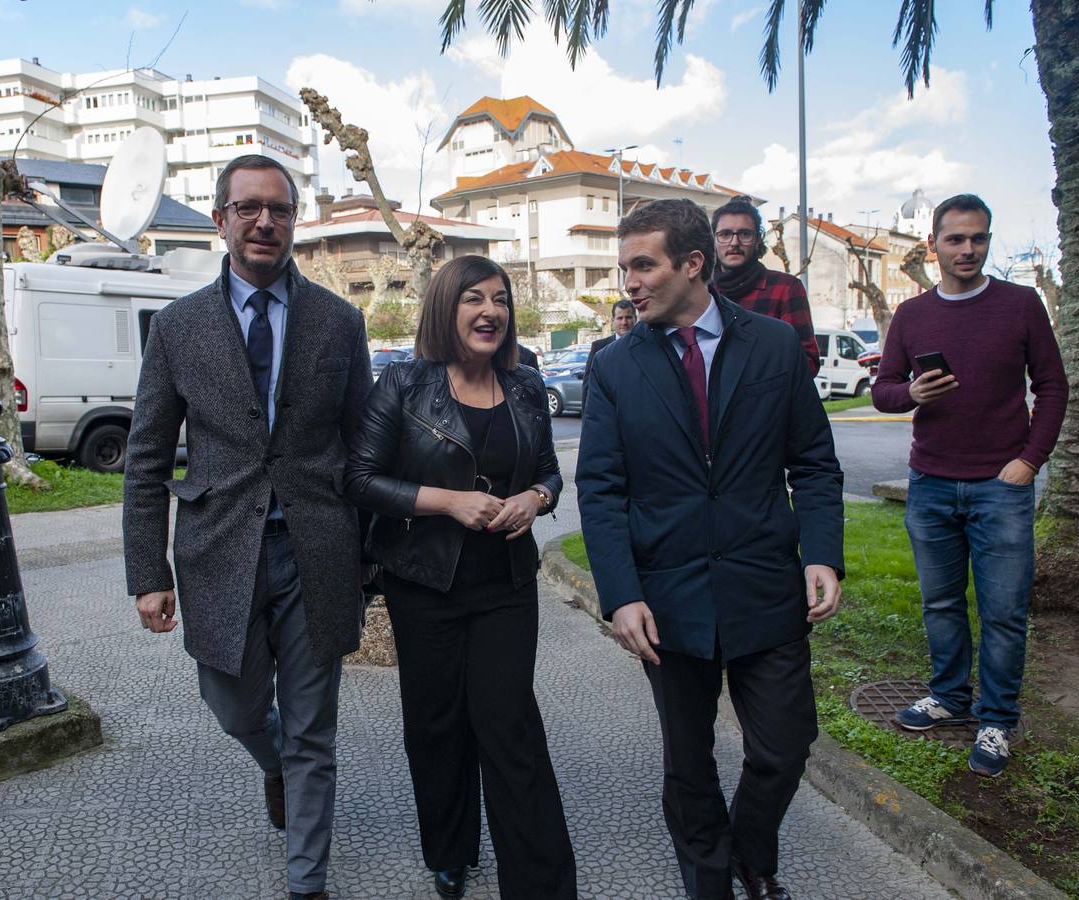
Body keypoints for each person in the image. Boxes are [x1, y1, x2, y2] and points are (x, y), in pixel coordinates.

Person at [122, 154, 373, 900]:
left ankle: (307, 881)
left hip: (316, 549)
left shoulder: (339, 320)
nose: (266, 222)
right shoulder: (176, 327)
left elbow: (363, 447)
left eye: (281, 209)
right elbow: (144, 458)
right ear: (220, 220)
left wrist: (372, 558)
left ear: (296, 220)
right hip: (216, 550)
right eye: (249, 208)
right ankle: (274, 767)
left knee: (312, 730)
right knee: (232, 707)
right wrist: (147, 573)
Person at [577, 199, 844, 900]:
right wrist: (622, 593)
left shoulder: (773, 346)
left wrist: (821, 552)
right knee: (688, 759)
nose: (629, 282)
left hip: (766, 586)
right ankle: (708, 881)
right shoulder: (613, 366)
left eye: (643, 264)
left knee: (785, 746)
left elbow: (813, 461)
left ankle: (751, 853)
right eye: (623, 266)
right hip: (667, 598)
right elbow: (600, 491)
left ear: (693, 265)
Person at [345, 255, 575, 900]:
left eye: (500, 299)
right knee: (437, 723)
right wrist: (447, 501)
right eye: (474, 298)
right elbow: (359, 479)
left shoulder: (527, 385)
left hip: (505, 584)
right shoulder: (403, 383)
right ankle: (450, 849)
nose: (490, 312)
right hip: (425, 582)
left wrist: (536, 497)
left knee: (509, 724)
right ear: (446, 309)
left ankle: (540, 884)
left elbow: (551, 471)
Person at [873, 193, 1067, 778]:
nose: (968, 249)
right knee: (940, 603)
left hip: (1000, 486)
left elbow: (1053, 387)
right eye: (956, 239)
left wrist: (1030, 461)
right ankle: (951, 696)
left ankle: (997, 720)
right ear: (933, 245)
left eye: (979, 238)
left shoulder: (1021, 304)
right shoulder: (912, 315)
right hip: (931, 483)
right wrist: (912, 394)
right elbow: (884, 390)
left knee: (1004, 612)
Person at [709, 197, 821, 376]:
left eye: (745, 234)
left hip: (767, 401)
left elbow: (807, 363)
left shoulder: (786, 288)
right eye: (725, 234)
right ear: (714, 240)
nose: (734, 242)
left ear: (758, 239)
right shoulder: (702, 292)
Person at [581, 298, 637, 408]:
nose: (624, 322)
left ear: (635, 319)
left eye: (628, 317)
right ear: (613, 320)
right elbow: (588, 388)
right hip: (608, 415)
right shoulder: (599, 348)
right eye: (620, 318)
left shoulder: (645, 347)